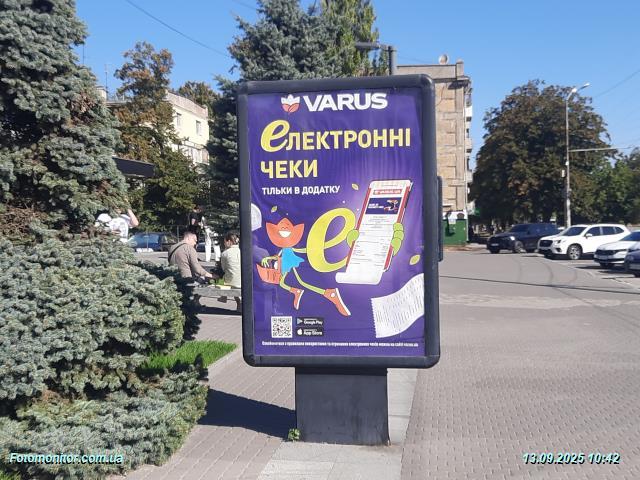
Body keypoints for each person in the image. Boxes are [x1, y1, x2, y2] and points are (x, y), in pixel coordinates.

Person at [220, 232, 241, 312]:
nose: (224, 244)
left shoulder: (225, 253)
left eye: (224, 242)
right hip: (243, 280)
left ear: (229, 241)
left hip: (231, 281)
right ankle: (239, 304)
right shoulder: (242, 251)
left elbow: (224, 268)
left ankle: (223, 297)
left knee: (222, 279)